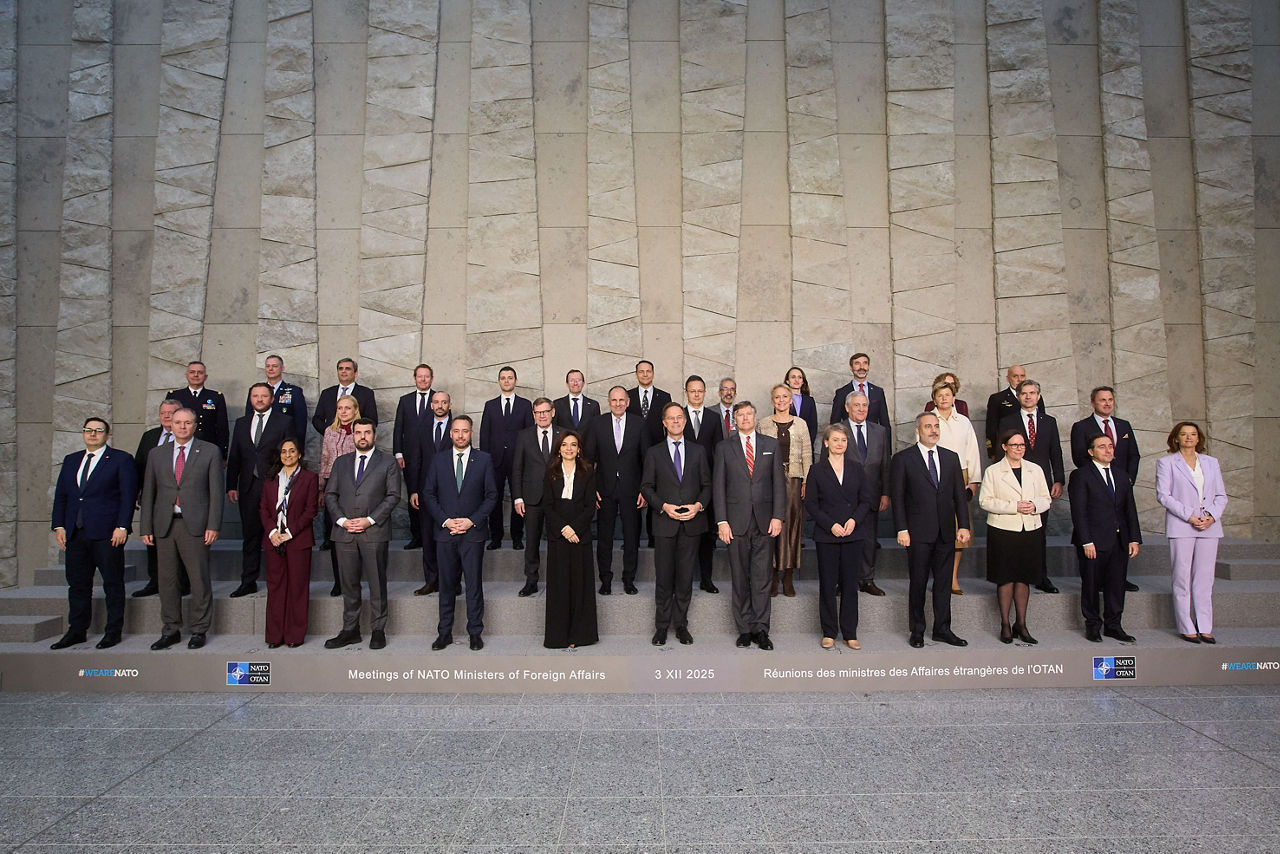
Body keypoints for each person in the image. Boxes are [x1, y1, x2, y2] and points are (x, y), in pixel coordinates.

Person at [139, 408, 223, 650]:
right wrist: (145, 526)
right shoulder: (157, 454)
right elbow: (149, 493)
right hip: (164, 525)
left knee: (198, 579)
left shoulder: (209, 451)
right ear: (170, 425)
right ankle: (171, 629)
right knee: (167, 581)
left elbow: (216, 492)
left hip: (195, 525)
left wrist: (213, 525)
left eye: (187, 423)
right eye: (178, 422)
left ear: (195, 425)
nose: (182, 427)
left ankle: (199, 629)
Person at [50, 417, 136, 650]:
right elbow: (62, 496)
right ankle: (77, 631)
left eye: (98, 430)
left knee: (112, 583)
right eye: (89, 430)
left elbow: (128, 496)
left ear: (107, 435)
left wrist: (122, 526)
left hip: (107, 533)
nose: (93, 434)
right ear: (83, 433)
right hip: (76, 533)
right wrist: (59, 525)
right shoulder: (71, 460)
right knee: (77, 585)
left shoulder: (120, 459)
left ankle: (113, 631)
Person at [890, 412, 971, 648]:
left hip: (946, 532)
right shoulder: (903, 459)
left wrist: (963, 525)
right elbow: (897, 498)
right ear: (918, 430)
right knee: (918, 582)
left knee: (944, 583)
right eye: (928, 426)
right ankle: (917, 630)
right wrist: (901, 529)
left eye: (936, 426)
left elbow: (958, 496)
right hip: (917, 533)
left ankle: (942, 629)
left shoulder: (951, 458)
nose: (933, 430)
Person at [323, 417, 401, 650]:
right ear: (353, 435)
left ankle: (378, 629)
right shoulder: (341, 462)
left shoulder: (387, 462)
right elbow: (330, 495)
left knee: (377, 582)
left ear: (374, 436)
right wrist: (343, 521)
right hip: (344, 532)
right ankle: (351, 629)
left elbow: (393, 496)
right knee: (349, 584)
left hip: (373, 532)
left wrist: (368, 520)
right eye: (358, 433)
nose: (363, 436)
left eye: (367, 432)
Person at [714, 401, 786, 650]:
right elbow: (718, 487)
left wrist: (778, 516)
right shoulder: (724, 448)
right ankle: (744, 630)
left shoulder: (771, 445)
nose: (745, 418)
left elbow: (779, 483)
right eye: (740, 415)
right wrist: (722, 521)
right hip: (735, 522)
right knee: (740, 577)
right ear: (734, 420)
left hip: (765, 521)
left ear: (755, 417)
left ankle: (761, 629)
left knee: (762, 578)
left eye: (749, 414)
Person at [423, 415, 498, 651]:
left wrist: (471, 521)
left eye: (465, 431)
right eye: (456, 431)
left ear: (471, 433)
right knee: (446, 585)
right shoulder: (438, 460)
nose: (460, 435)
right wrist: (446, 521)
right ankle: (444, 632)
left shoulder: (483, 460)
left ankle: (475, 632)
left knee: (474, 584)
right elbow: (429, 494)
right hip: (445, 533)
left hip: (472, 533)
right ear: (450, 433)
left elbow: (491, 495)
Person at [641, 403, 711, 646]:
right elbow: (646, 487)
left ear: (685, 421)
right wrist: (663, 506)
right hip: (664, 524)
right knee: (664, 578)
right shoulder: (654, 452)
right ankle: (661, 627)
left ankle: (681, 625)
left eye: (679, 417)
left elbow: (707, 486)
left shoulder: (699, 451)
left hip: (692, 524)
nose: (675, 421)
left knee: (684, 578)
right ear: (663, 422)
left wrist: (698, 506)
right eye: (670, 418)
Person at [1155, 421, 1227, 643]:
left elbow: (1221, 496)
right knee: (1182, 577)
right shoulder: (1166, 463)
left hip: (1209, 525)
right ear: (1176, 438)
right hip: (1182, 525)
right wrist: (1190, 516)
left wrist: (1211, 516)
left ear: (1199, 439)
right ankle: (1186, 626)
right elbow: (1163, 495)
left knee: (1205, 578)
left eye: (1193, 434)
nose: (1188, 438)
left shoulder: (1211, 462)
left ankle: (1205, 626)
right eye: (1184, 434)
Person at [804, 424, 874, 650]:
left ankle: (850, 632)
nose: (839, 444)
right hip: (828, 535)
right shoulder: (816, 470)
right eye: (835, 440)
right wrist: (831, 525)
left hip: (853, 533)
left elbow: (866, 500)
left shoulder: (856, 468)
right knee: (827, 584)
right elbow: (812, 505)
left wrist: (854, 521)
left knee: (850, 584)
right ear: (826, 443)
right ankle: (829, 631)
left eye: (843, 440)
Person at [979, 429, 1051, 644]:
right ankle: (1005, 624)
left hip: (1029, 529)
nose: (1019, 449)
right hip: (1003, 531)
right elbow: (985, 501)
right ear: (1004, 447)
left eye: (1022, 445)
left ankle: (1021, 623)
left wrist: (1034, 505)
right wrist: (1014, 506)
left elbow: (1046, 498)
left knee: (1024, 577)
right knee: (1006, 577)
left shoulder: (1035, 469)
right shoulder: (993, 471)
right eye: (1014, 445)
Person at [1069, 433, 1142, 643]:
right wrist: (1086, 541)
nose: (1108, 450)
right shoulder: (1081, 476)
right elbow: (1079, 511)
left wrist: (1134, 538)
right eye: (1102, 447)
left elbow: (1130, 510)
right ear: (1091, 452)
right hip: (1093, 542)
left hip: (1119, 540)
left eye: (1110, 446)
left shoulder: (1121, 475)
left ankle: (1113, 625)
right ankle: (1092, 625)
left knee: (1116, 585)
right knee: (1091, 584)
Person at [226, 382, 296, 598]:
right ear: (250, 399)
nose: (259, 399)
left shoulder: (284, 421)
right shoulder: (241, 423)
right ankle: (248, 581)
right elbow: (235, 456)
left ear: (272, 399)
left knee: (277, 534)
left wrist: (288, 485)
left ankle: (280, 581)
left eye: (263, 396)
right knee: (251, 536)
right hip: (247, 487)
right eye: (255, 396)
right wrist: (231, 485)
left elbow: (290, 454)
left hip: (274, 485)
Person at [1070, 386, 1142, 591]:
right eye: (1102, 400)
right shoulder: (1081, 426)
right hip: (1095, 487)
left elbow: (1134, 455)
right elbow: (1079, 457)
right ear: (1093, 403)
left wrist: (1127, 479)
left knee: (1121, 529)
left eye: (1110, 399)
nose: (1107, 403)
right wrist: (1099, 479)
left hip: (1120, 486)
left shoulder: (1124, 425)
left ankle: (1120, 578)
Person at [998, 379, 1064, 594]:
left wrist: (1059, 479)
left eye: (1033, 393)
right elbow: (1001, 454)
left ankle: (1040, 575)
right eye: (1024, 393)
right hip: (1014, 483)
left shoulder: (1049, 422)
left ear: (1039, 396)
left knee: (1038, 532)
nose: (1028, 396)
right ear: (1018, 396)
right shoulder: (1008, 421)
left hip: (1041, 484)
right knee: (1015, 533)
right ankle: (1015, 576)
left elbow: (1055, 452)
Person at [584, 386, 648, 595]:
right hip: (604, 489)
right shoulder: (597, 424)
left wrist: (645, 490)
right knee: (605, 538)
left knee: (631, 537)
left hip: (632, 489)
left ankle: (629, 579)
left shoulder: (639, 424)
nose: (618, 403)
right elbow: (588, 460)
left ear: (628, 402)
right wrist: (591, 489)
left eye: (622, 400)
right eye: (614, 400)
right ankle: (606, 579)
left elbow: (647, 460)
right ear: (608, 402)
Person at [258, 437, 318, 648]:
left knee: (297, 588)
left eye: (292, 451)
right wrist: (273, 531)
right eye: (284, 451)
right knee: (275, 588)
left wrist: (290, 532)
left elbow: (311, 510)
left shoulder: (310, 478)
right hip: (274, 540)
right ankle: (274, 636)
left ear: (299, 454)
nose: (288, 455)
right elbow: (264, 509)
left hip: (297, 540)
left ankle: (294, 635)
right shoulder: (271, 478)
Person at [543, 429, 599, 648]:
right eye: (565, 444)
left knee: (580, 587)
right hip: (559, 536)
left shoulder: (587, 472)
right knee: (559, 587)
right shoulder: (550, 472)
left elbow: (589, 507)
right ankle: (558, 637)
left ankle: (580, 636)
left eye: (573, 445)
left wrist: (574, 529)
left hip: (580, 536)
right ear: (559, 448)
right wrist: (564, 529)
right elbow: (547, 505)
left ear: (579, 449)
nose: (569, 448)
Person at [758, 384, 812, 597]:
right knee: (771, 527)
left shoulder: (801, 424)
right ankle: (772, 576)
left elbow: (808, 455)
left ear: (791, 400)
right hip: (770, 483)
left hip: (794, 483)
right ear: (772, 401)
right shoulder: (763, 424)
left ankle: (788, 577)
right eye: (777, 397)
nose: (781, 400)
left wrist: (807, 481)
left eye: (785, 397)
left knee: (792, 528)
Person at [131, 399, 188, 598]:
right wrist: (137, 493)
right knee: (153, 540)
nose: (166, 416)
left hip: (181, 501)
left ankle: (182, 583)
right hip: (154, 500)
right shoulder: (149, 437)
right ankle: (154, 581)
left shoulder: (189, 438)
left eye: (171, 412)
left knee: (180, 542)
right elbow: (138, 467)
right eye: (163, 412)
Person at [930, 381, 982, 595]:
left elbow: (973, 451)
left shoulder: (964, 422)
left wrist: (974, 480)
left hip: (960, 476)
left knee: (959, 528)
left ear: (954, 398)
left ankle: (952, 578)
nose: (944, 398)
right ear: (934, 399)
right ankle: (937, 576)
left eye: (948, 394)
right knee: (935, 528)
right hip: (935, 475)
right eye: (940, 395)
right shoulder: (929, 421)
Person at [837, 392, 891, 596]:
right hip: (844, 496)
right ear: (847, 407)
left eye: (864, 405)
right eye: (856, 405)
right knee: (844, 538)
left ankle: (867, 579)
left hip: (871, 495)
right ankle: (844, 581)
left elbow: (886, 464)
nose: (861, 409)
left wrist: (885, 493)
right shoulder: (837, 430)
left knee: (869, 538)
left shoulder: (880, 431)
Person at [512, 398, 563, 596]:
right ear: (533, 415)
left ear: (553, 412)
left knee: (557, 541)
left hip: (557, 499)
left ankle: (558, 581)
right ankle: (531, 581)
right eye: (538, 412)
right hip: (531, 499)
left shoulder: (563, 434)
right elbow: (517, 469)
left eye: (545, 411)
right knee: (531, 541)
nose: (542, 415)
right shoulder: (524, 436)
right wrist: (518, 498)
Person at [479, 365, 534, 550]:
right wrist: (485, 460)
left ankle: (517, 537)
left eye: (510, 377)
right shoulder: (490, 405)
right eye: (503, 378)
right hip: (494, 461)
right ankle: (496, 537)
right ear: (499, 381)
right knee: (494, 500)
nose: (507, 381)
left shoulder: (525, 405)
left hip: (518, 461)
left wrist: (527, 459)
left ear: (516, 381)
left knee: (519, 498)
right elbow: (484, 434)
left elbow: (529, 433)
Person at [406, 390, 453, 595]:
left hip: (451, 493)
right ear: (431, 405)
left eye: (444, 402)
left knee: (450, 540)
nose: (440, 405)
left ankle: (452, 582)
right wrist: (414, 489)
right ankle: (431, 580)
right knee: (427, 537)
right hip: (426, 492)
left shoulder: (458, 428)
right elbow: (415, 459)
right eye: (436, 402)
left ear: (449, 405)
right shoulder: (422, 428)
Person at [682, 374, 724, 593]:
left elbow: (718, 451)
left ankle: (706, 578)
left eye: (700, 391)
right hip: (683, 484)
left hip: (707, 485)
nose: (696, 394)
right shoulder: (678, 416)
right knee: (686, 535)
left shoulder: (713, 417)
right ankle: (685, 578)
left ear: (705, 393)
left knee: (708, 535)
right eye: (692, 391)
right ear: (686, 393)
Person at [319, 395, 361, 594]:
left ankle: (353, 579)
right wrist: (321, 488)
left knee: (353, 535)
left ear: (355, 410)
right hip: (332, 487)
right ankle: (339, 581)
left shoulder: (360, 431)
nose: (343, 412)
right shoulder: (329, 431)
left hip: (353, 487)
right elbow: (325, 459)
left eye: (347, 408)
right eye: (340, 408)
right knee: (335, 535)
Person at [392, 363, 436, 550]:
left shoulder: (438, 399)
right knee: (413, 495)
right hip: (410, 457)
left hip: (432, 458)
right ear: (414, 378)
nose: (423, 379)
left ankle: (432, 536)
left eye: (427, 376)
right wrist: (398, 452)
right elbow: (398, 428)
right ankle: (416, 536)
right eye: (420, 376)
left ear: (431, 379)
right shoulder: (405, 400)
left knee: (433, 495)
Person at [166, 360, 229, 457]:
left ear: (206, 376)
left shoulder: (216, 397)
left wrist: (223, 454)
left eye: (200, 372)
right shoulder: (174, 396)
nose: (196, 375)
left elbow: (222, 428)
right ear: (186, 375)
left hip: (207, 447)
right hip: (179, 446)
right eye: (192, 372)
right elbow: (167, 423)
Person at [985, 364, 1044, 461]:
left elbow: (1042, 423)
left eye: (1022, 376)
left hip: (1035, 451)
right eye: (1015, 376)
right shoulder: (997, 399)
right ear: (1008, 378)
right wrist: (992, 452)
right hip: (1009, 451)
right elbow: (991, 428)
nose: (1019, 379)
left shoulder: (1035, 398)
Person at [245, 353, 308, 440]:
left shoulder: (294, 392)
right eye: (267, 366)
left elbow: (300, 423)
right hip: (260, 441)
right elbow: (248, 418)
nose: (270, 369)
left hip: (283, 443)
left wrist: (298, 447)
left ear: (282, 368)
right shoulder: (255, 390)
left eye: (274, 366)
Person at [312, 357, 378, 435]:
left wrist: (357, 433)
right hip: (332, 441)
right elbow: (317, 419)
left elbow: (372, 420)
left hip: (356, 441)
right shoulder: (327, 393)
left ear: (355, 373)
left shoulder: (366, 393)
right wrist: (329, 432)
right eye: (340, 369)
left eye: (348, 369)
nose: (343, 371)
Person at [829, 352, 890, 434]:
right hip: (850, 441)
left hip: (874, 441)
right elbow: (834, 424)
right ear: (851, 368)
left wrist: (887, 446)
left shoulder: (878, 392)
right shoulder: (842, 393)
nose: (862, 367)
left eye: (865, 363)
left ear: (868, 367)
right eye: (857, 363)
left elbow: (885, 424)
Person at [628, 358, 672, 443]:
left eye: (648, 371)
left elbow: (669, 424)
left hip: (657, 446)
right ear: (636, 374)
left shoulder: (664, 397)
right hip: (633, 446)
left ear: (653, 374)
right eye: (641, 372)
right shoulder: (627, 396)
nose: (645, 374)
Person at [784, 366, 819, 445]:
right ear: (787, 381)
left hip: (806, 445)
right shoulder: (782, 400)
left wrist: (808, 444)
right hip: (787, 444)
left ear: (803, 381)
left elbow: (813, 426)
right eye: (793, 377)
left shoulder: (809, 401)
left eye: (800, 377)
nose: (797, 380)